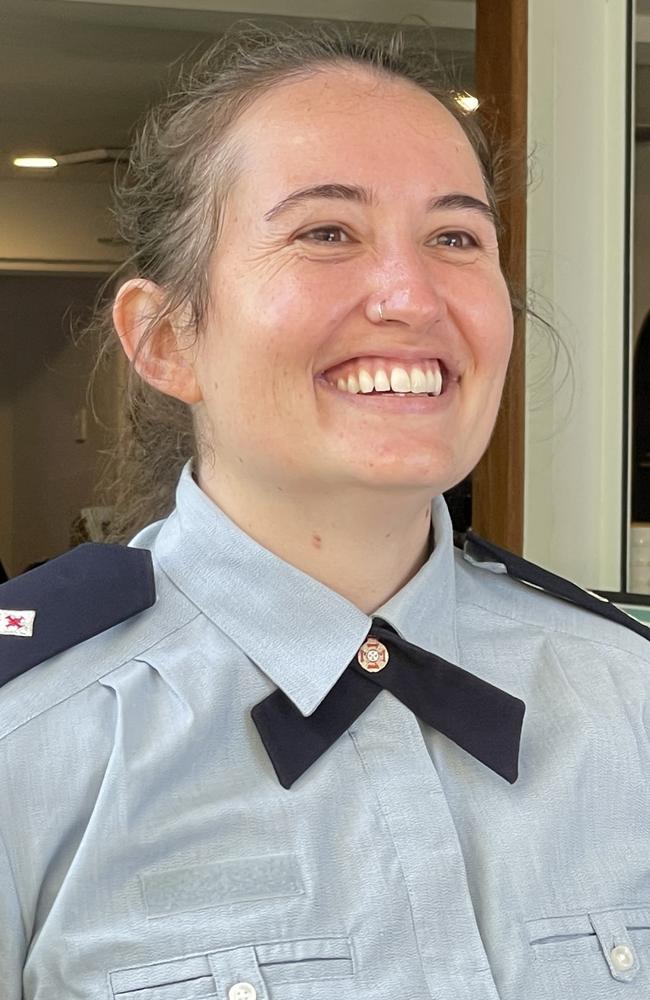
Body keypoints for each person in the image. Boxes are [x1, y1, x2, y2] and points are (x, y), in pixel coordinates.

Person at [1, 23, 649, 1000]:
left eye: (454, 236)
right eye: (326, 232)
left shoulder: (628, 701)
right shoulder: (29, 739)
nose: (409, 293)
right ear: (166, 338)